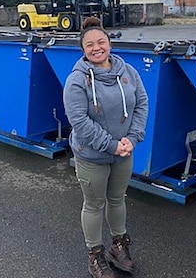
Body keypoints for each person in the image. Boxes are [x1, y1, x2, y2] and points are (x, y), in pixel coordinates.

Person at [63, 17, 149, 278]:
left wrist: (132, 139)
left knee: (117, 199)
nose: (96, 47)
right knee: (94, 205)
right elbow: (79, 121)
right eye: (90, 44)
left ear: (109, 43)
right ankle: (95, 255)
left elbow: (141, 103)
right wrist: (111, 145)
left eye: (101, 41)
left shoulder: (128, 72)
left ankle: (118, 246)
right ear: (83, 49)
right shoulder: (77, 80)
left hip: (124, 152)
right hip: (92, 156)